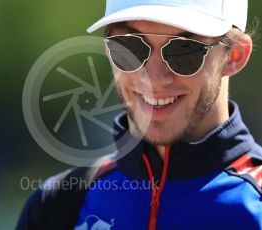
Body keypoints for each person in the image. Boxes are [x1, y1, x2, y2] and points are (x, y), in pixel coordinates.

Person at [17, 0, 262, 229]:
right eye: (129, 47)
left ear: (235, 55)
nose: (153, 79)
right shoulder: (57, 203)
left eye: (184, 51)